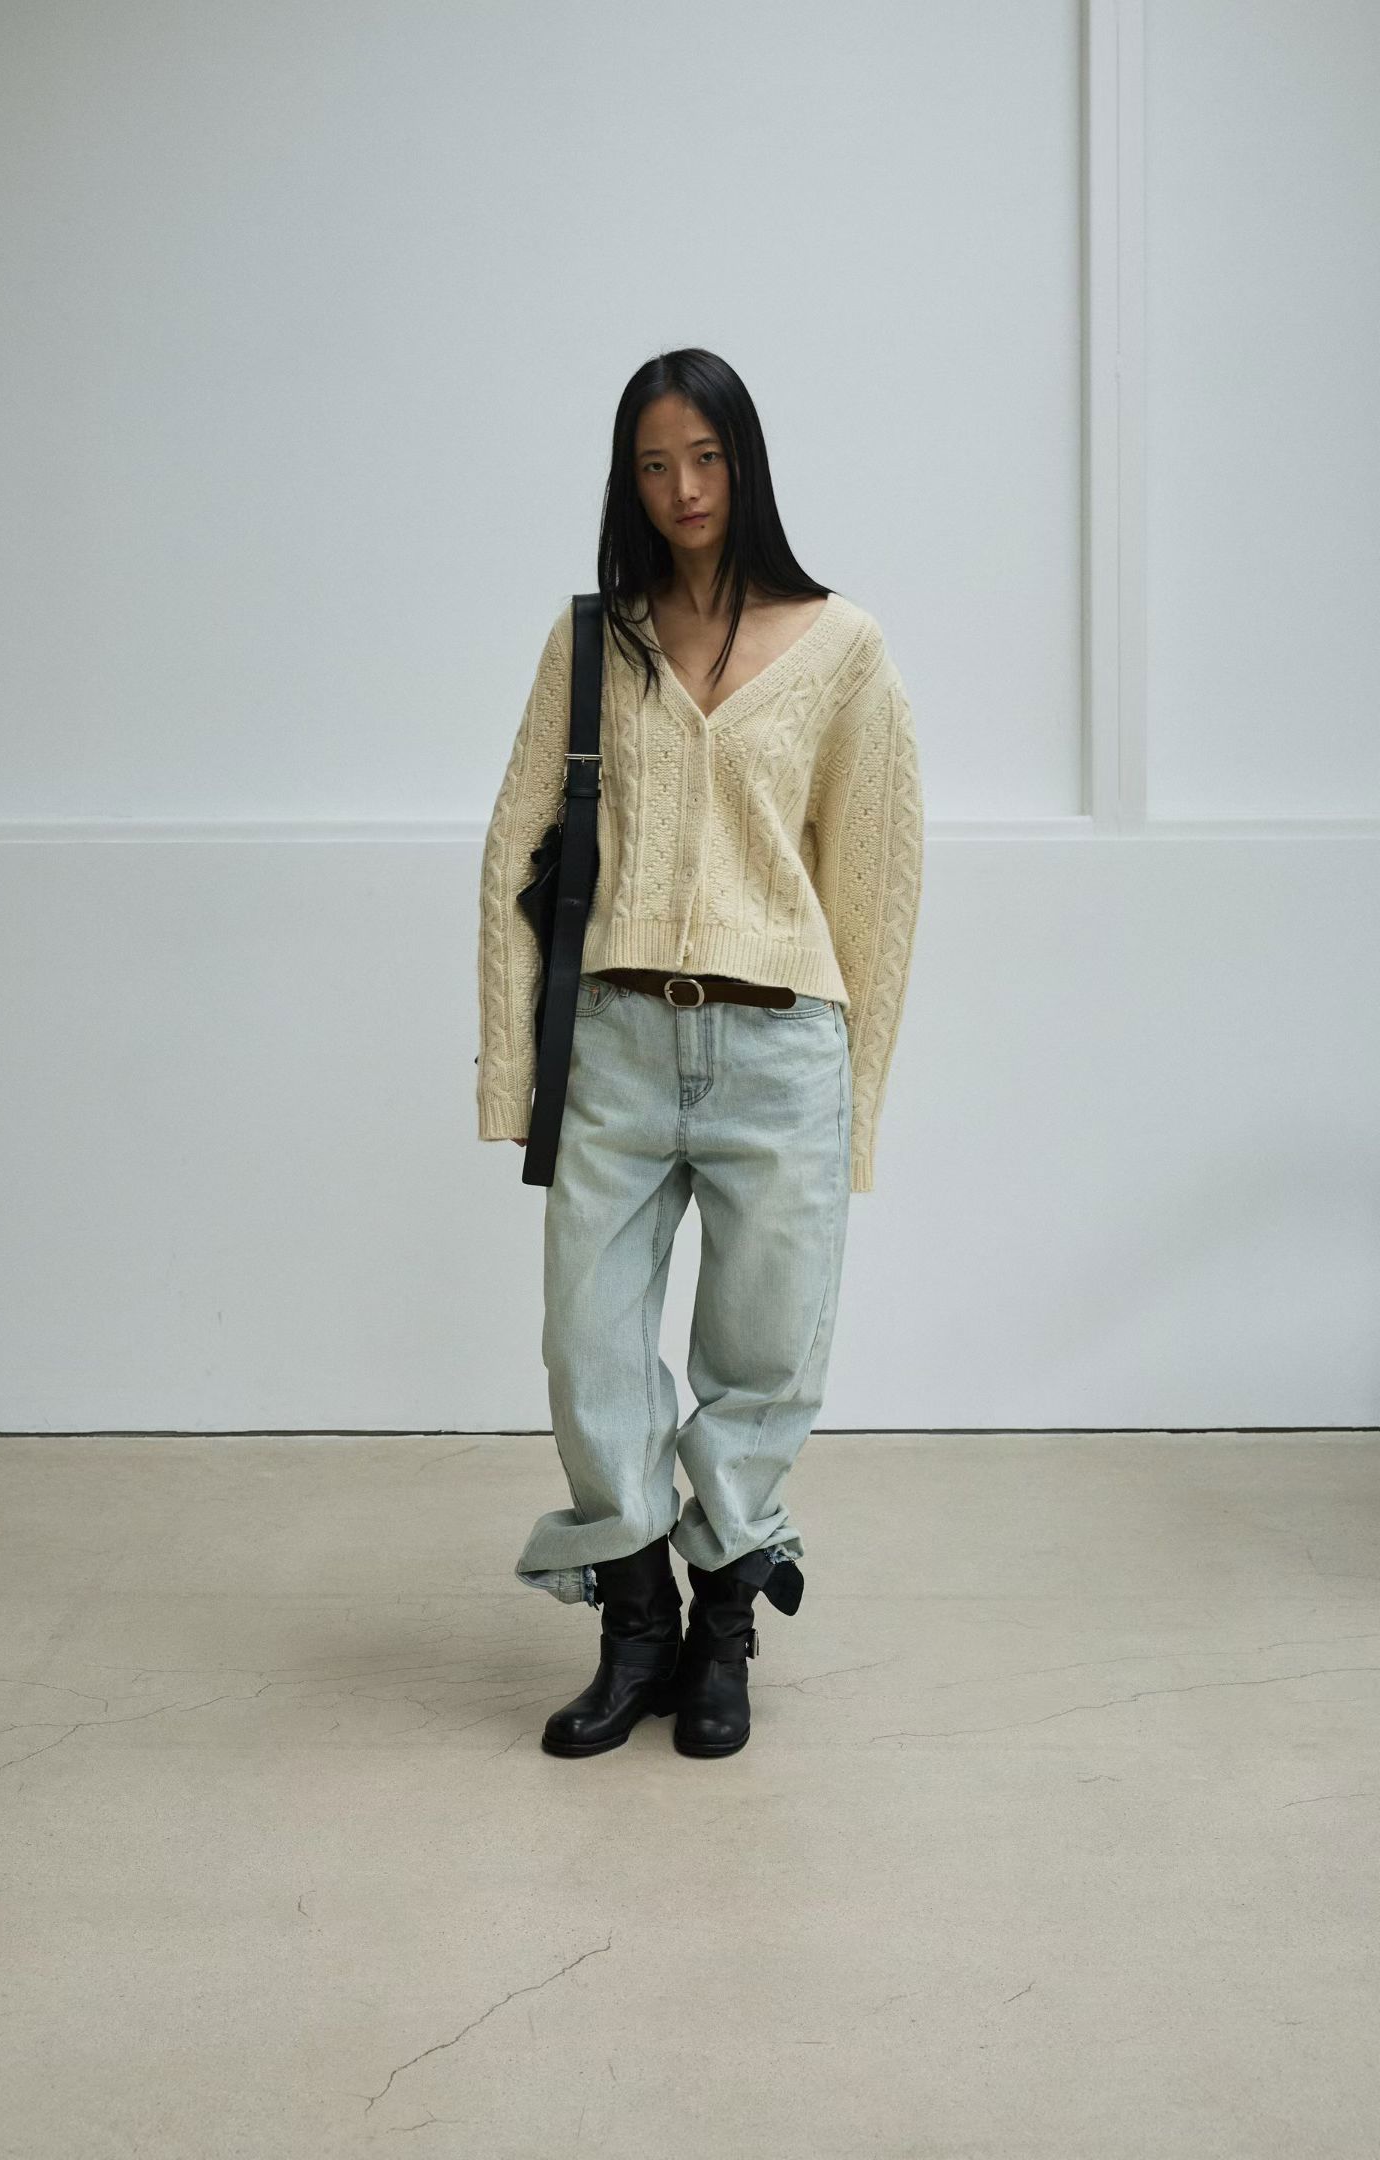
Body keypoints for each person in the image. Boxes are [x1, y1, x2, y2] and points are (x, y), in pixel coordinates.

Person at [475, 347, 924, 1761]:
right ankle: (634, 1624)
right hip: (616, 1040)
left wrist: (857, 1107)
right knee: (588, 1343)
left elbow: (877, 889)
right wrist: (514, 1076)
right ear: (629, 478)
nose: (683, 488)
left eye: (707, 458)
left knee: (764, 1349)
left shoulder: (843, 646)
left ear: (747, 462)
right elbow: (512, 856)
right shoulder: (592, 643)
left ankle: (721, 1627)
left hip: (783, 1044)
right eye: (655, 463)